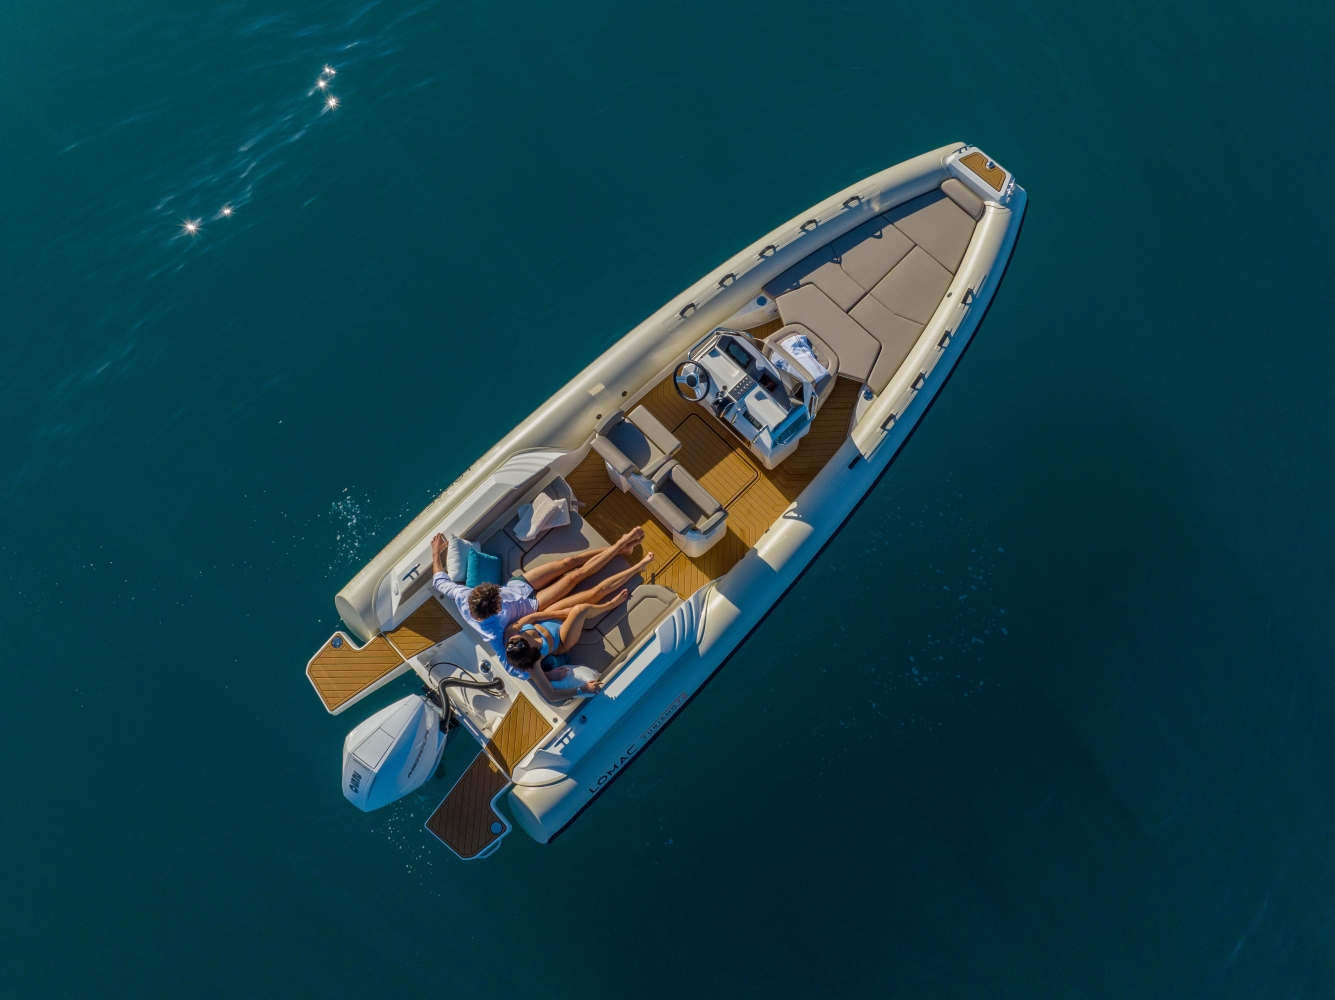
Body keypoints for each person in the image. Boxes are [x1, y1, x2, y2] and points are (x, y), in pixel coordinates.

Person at [430, 528, 655, 699]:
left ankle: (620, 547)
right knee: (578, 579)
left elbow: (439, 580)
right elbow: (518, 669)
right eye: (500, 601)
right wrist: (548, 676)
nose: (501, 597)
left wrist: (435, 553)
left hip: (521, 588)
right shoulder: (497, 634)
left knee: (570, 563)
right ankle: (623, 551)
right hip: (537, 605)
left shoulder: (464, 595)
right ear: (495, 611)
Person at [502, 590, 629, 702]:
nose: (514, 638)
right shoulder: (532, 666)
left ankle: (634, 570)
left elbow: (532, 617)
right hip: (561, 640)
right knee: (580, 610)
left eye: (511, 643)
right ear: (531, 650)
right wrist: (582, 689)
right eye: (519, 641)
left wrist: (561, 612)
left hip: (548, 619)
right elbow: (552, 696)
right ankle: (610, 605)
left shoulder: (509, 633)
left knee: (594, 592)